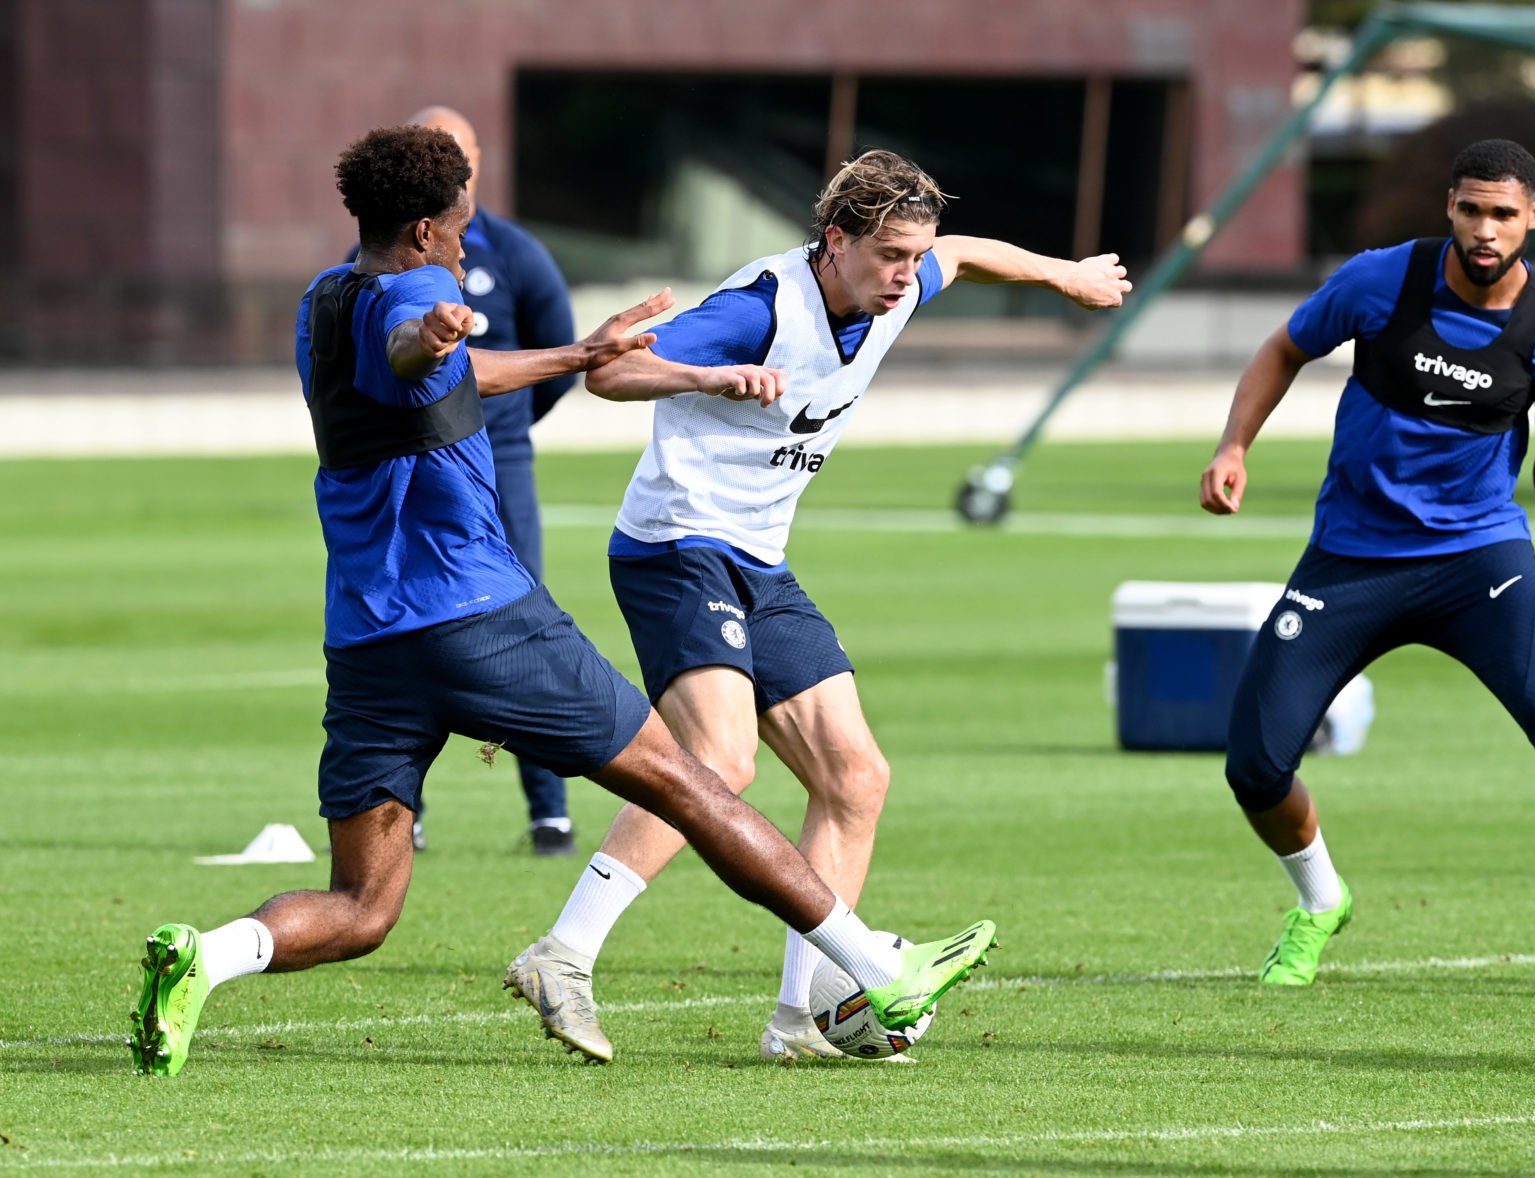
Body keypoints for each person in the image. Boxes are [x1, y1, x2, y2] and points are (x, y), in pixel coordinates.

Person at [126, 126, 995, 1077]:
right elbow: (414, 347)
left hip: (369, 642)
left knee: (363, 908)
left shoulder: (323, 301)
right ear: (424, 229)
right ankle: (874, 967)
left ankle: (203, 958)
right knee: (695, 781)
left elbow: (442, 373)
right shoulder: (422, 295)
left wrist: (575, 352)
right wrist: (436, 333)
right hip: (478, 616)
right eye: (460, 227)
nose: (469, 243)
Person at [507, 149, 1129, 1064]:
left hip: (760, 559)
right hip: (677, 547)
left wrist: (1062, 275)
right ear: (834, 241)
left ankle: (801, 1019)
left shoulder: (901, 285)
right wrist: (707, 377)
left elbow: (966, 252)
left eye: (913, 256)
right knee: (723, 757)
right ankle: (563, 955)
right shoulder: (760, 307)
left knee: (855, 778)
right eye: (890, 256)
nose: (907, 274)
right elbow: (609, 375)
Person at [1196, 138, 1535, 1002]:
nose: (1485, 229)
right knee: (1253, 766)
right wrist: (1233, 445)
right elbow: (1284, 348)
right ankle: (1322, 902)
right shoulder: (1380, 282)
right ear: (1449, 207)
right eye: (1471, 209)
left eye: (1504, 214)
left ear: (1533, 218)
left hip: (1481, 562)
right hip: (1353, 558)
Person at [350, 106, 580, 857]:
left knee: (526, 624)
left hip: (499, 460)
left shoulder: (513, 251)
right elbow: (406, 349)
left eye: (466, 157)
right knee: (421, 627)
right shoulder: (379, 272)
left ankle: (549, 811)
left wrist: (505, 424)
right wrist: (430, 346)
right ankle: (399, 809)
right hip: (411, 466)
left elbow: (550, 342)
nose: (460, 173)